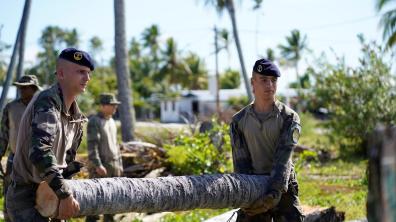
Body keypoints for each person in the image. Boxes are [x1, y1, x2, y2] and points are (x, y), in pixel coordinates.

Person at [7, 47, 94, 222]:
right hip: (28, 199)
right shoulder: (47, 101)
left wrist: (63, 190)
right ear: (61, 74)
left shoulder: (76, 117)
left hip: (51, 196)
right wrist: (64, 193)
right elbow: (40, 151)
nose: (87, 78)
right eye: (81, 72)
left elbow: (67, 161)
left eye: (89, 72)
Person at [230, 58, 304, 222]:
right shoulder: (238, 121)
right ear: (252, 82)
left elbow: (282, 161)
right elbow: (241, 165)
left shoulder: (289, 118)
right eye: (264, 80)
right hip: (254, 187)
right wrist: (246, 196)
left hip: (282, 188)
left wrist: (272, 194)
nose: (270, 85)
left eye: (273, 80)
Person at [0, 75, 41, 221]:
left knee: (38, 199)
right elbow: (4, 135)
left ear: (34, 89)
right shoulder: (11, 107)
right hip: (15, 160)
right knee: (11, 195)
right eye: (20, 87)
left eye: (26, 87)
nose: (22, 90)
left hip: (38, 161)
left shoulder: (44, 106)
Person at [86, 93, 123, 222]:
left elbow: (116, 145)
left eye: (115, 105)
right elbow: (92, 146)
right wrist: (97, 165)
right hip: (101, 168)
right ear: (102, 106)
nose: (115, 108)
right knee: (95, 204)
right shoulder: (94, 121)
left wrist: (120, 165)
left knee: (112, 203)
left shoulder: (112, 121)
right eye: (112, 105)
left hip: (114, 167)